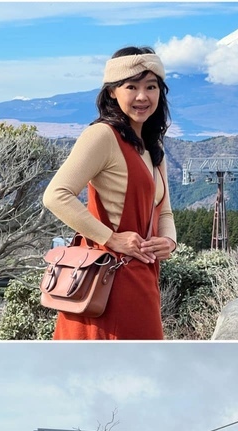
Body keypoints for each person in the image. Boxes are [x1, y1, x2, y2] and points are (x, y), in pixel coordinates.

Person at [43, 47, 177, 341]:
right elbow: (56, 195)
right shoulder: (102, 136)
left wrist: (169, 241)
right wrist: (112, 238)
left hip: (142, 279)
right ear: (113, 92)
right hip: (106, 282)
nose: (143, 96)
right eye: (132, 86)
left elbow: (164, 210)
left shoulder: (154, 147)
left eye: (151, 87)